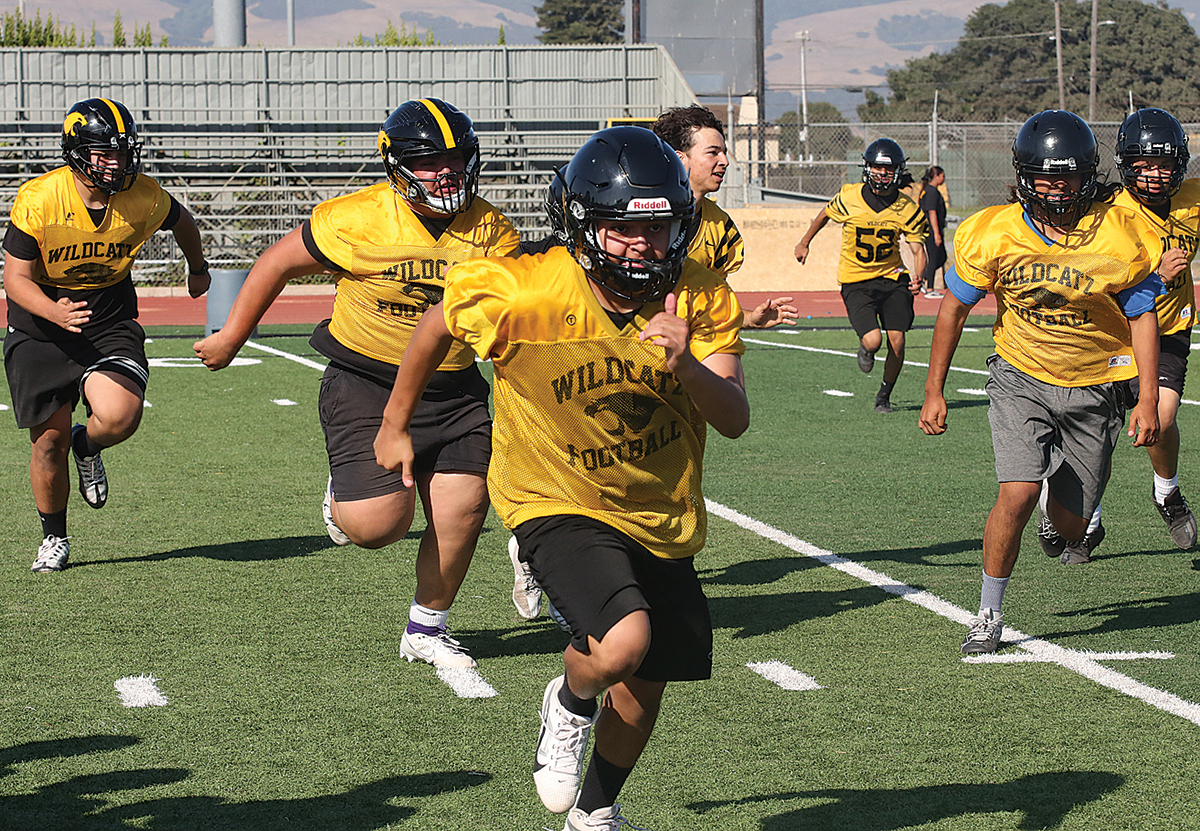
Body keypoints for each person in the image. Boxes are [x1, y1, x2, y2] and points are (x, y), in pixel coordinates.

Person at [374, 126, 748, 830]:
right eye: (622, 228)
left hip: (658, 506)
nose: (643, 245)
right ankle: (570, 701)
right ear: (580, 224)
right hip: (553, 492)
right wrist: (395, 423)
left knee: (644, 685)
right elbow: (436, 325)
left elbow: (733, 418)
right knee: (623, 641)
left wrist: (687, 365)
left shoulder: (699, 297)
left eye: (658, 227)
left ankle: (594, 812)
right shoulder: (524, 286)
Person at [193, 98, 519, 669]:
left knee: (463, 510)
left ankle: (427, 627)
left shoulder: (492, 231)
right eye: (429, 161)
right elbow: (277, 262)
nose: (446, 173)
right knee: (377, 526)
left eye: (455, 159)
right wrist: (232, 336)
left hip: (451, 388)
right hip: (366, 379)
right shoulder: (356, 218)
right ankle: (343, 498)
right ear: (396, 165)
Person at [918, 110, 1180, 655]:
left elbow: (1142, 316)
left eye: (1067, 178)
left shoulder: (1119, 232)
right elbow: (953, 310)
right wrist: (933, 389)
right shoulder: (995, 231)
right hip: (1021, 374)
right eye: (1044, 177)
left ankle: (1054, 500)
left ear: (1088, 176)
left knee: (1072, 530)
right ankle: (988, 613)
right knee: (1016, 492)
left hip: (1096, 385)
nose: (1056, 189)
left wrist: (1148, 397)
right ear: (1023, 176)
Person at [2, 97, 210, 573]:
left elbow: (183, 222)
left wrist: (197, 268)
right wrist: (52, 310)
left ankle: (88, 445)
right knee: (47, 442)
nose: (116, 163)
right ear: (76, 152)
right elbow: (14, 279)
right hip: (40, 322)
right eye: (104, 153)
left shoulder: (143, 195)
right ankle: (54, 536)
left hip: (108, 315)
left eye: (121, 152)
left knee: (120, 416)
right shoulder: (40, 198)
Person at [1089, 107, 1198, 551]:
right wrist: (1157, 275)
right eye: (1143, 164)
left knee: (1163, 417)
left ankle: (1166, 490)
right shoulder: (1108, 212)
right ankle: (1087, 514)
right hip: (1112, 330)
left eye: (1163, 164)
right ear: (1126, 165)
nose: (1154, 174)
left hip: (1169, 326)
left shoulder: (1192, 200)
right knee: (1095, 431)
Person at [794, 138, 929, 414]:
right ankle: (866, 349)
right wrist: (805, 242)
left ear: (898, 172)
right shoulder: (849, 197)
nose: (882, 174)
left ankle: (884, 395)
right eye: (877, 168)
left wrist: (919, 274)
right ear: (867, 168)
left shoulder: (907, 208)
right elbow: (824, 215)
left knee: (898, 341)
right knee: (873, 341)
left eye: (888, 169)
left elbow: (918, 249)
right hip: (856, 279)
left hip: (892, 278)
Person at [653, 105, 799, 330]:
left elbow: (711, 303)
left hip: (684, 344)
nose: (725, 161)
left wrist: (750, 319)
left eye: (724, 152)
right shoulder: (637, 215)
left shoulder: (721, 228)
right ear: (678, 158)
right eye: (713, 152)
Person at [918, 165, 947, 298]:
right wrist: (936, 233)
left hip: (933, 229)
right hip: (931, 230)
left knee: (942, 257)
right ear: (936, 176)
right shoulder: (931, 192)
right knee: (934, 258)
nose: (944, 179)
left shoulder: (929, 190)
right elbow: (932, 213)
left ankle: (924, 278)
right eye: (942, 176)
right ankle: (929, 288)